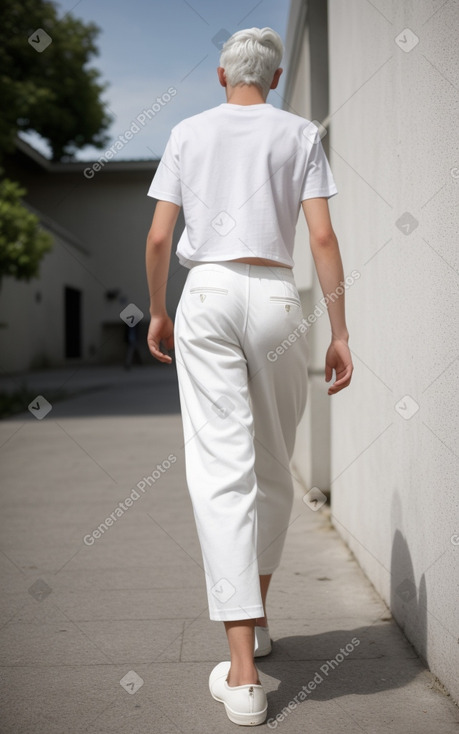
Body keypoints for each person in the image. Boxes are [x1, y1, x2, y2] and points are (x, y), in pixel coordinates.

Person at [145, 27, 353, 726]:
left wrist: (154, 311)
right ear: (276, 73)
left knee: (220, 471)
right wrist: (341, 330)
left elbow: (156, 237)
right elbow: (320, 237)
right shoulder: (299, 133)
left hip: (203, 294)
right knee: (270, 468)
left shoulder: (187, 132)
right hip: (273, 298)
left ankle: (241, 673)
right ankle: (255, 622)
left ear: (219, 76)